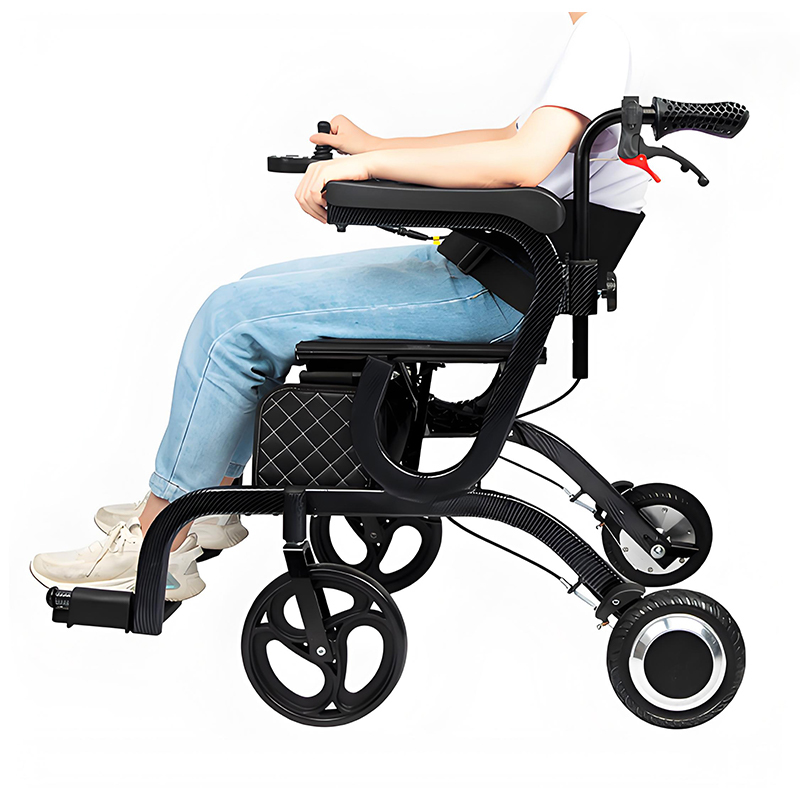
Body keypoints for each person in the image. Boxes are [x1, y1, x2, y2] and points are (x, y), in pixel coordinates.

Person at [30, 11, 649, 601]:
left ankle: (160, 535)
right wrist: (376, 146)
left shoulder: (600, 37)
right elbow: (510, 138)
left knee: (232, 321)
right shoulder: (596, 40)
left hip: (493, 285)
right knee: (249, 291)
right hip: (487, 266)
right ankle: (209, 496)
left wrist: (371, 165)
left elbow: (522, 163)